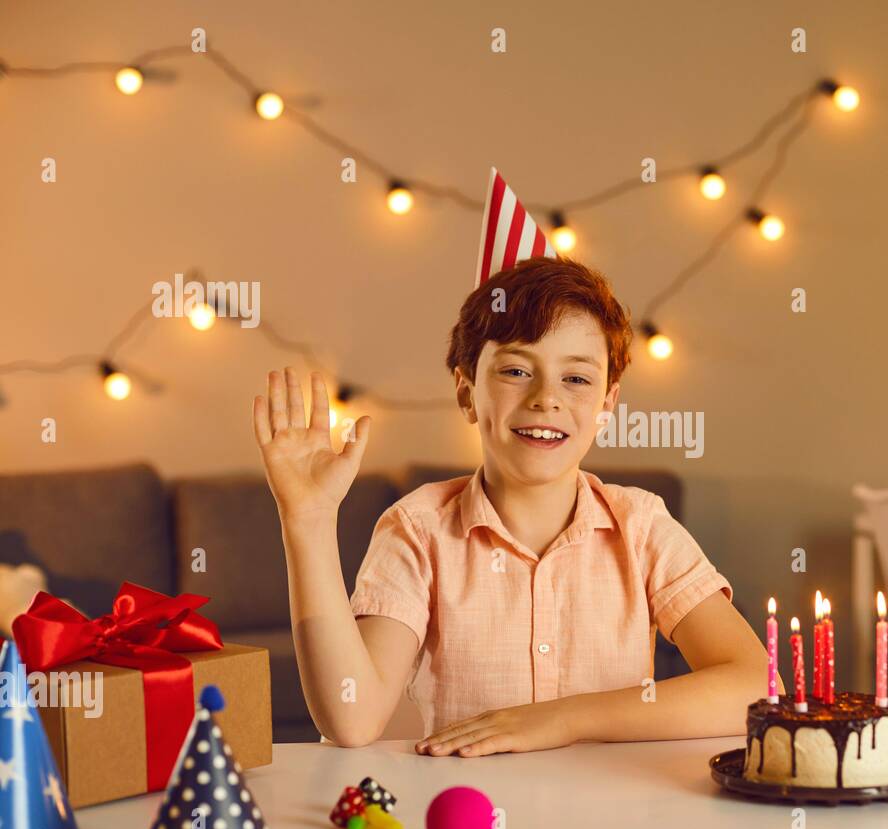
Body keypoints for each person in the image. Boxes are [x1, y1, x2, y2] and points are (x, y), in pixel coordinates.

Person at [251, 255, 773, 754]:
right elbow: (352, 716)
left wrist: (563, 719)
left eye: (576, 378)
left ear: (607, 404)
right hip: (467, 827)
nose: (546, 398)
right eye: (516, 371)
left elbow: (755, 684)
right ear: (466, 392)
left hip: (616, 824)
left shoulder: (641, 526)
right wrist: (310, 520)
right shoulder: (417, 529)